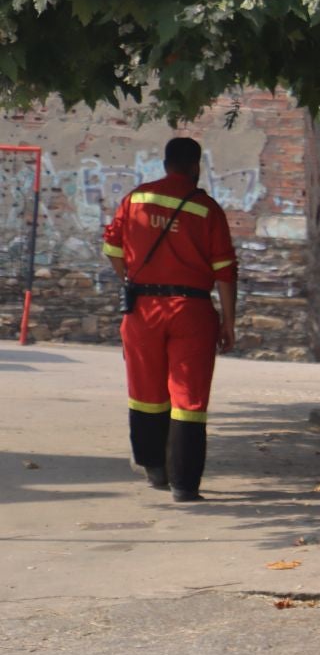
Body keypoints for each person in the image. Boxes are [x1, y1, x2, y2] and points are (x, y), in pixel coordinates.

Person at [102, 136, 238, 502]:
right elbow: (225, 270)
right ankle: (185, 485)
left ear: (165, 164)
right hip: (191, 310)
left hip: (143, 309)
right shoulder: (207, 210)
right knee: (189, 398)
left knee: (146, 392)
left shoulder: (136, 199)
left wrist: (131, 279)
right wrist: (228, 321)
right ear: (196, 166)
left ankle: (154, 468)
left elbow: (111, 247)